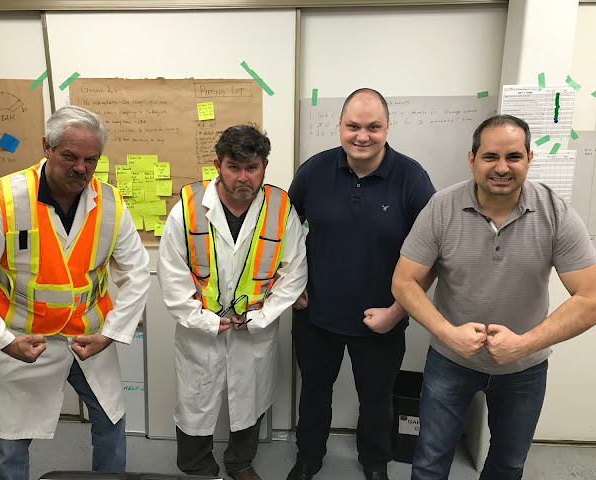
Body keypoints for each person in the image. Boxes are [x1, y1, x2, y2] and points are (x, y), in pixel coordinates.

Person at [392, 114, 596, 480]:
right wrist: (448, 334)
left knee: (508, 464)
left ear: (529, 159)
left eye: (513, 156)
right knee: (429, 462)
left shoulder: (555, 212)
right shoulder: (441, 207)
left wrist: (524, 344)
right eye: (490, 157)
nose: (502, 168)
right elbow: (403, 282)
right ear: (472, 159)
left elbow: (591, 297)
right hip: (450, 360)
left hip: (524, 369)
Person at [0, 105, 151, 480]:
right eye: (70, 156)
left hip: (87, 338)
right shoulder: (5, 201)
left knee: (110, 421)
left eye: (91, 160)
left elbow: (137, 272)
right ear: (47, 146)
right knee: (10, 438)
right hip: (22, 338)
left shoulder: (110, 205)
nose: (81, 168)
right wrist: (1, 340)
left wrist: (111, 333)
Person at [287, 88, 436, 480]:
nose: (362, 136)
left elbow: (433, 254)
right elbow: (280, 231)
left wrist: (397, 312)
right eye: (353, 126)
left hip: (382, 319)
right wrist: (288, 285)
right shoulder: (313, 171)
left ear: (387, 127)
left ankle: (374, 462)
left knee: (376, 398)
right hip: (315, 313)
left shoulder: (412, 178)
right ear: (340, 125)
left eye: (373, 127)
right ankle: (308, 456)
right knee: (314, 391)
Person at [157, 124, 307, 480]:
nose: (243, 177)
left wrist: (260, 318)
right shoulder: (187, 209)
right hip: (200, 328)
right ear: (218, 165)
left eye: (251, 167)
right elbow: (172, 276)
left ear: (264, 166)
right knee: (195, 400)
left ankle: (240, 462)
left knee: (249, 398)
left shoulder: (280, 209)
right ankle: (197, 468)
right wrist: (205, 321)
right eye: (233, 167)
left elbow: (294, 273)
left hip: (253, 328)